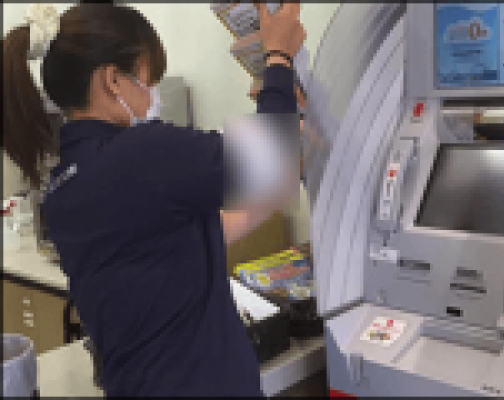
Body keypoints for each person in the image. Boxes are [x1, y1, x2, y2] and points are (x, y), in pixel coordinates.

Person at [3, 2, 305, 397]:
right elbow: (270, 154)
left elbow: (177, 246)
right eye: (148, 78)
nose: (153, 95)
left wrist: (284, 140)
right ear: (113, 79)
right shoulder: (142, 153)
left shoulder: (65, 185)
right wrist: (278, 57)